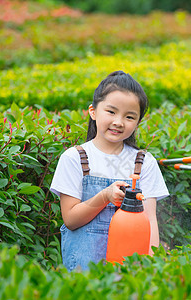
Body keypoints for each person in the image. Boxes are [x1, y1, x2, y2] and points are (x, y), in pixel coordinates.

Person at [50, 71, 169, 271]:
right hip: (84, 272)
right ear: (93, 111)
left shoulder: (144, 162)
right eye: (111, 112)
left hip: (129, 270)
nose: (118, 122)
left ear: (138, 121)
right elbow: (70, 219)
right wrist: (105, 196)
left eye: (129, 116)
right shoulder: (74, 159)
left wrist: (151, 266)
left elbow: (150, 222)